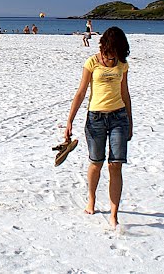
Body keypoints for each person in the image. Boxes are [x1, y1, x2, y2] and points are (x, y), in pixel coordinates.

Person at [63, 26, 132, 229]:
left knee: (116, 165)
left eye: (114, 54)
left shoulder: (123, 64)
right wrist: (69, 121)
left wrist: (130, 121)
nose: (110, 57)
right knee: (96, 162)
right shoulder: (92, 62)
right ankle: (91, 199)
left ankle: (114, 214)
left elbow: (125, 93)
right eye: (108, 53)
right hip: (95, 118)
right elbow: (81, 92)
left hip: (119, 117)